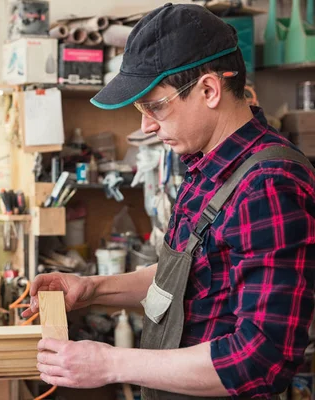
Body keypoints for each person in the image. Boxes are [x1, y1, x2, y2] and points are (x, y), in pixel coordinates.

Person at [23, 3, 315, 399]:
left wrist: (111, 363)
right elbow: (185, 278)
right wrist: (93, 289)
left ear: (209, 90)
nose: (145, 125)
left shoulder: (268, 183)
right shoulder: (203, 164)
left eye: (155, 105)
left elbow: (260, 357)